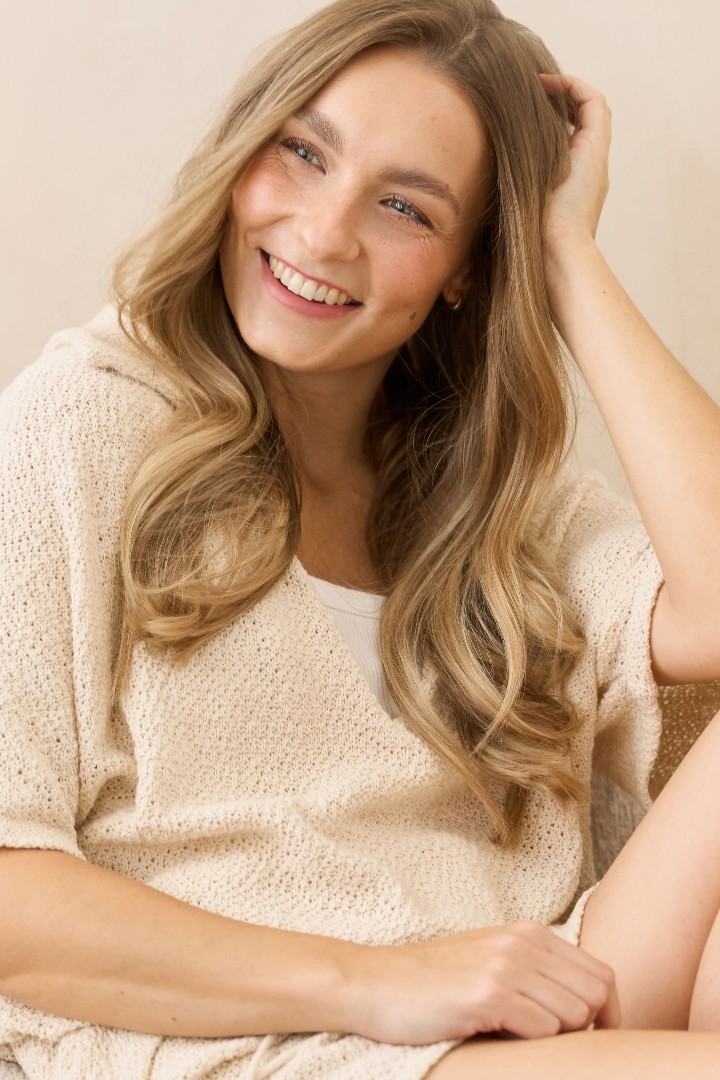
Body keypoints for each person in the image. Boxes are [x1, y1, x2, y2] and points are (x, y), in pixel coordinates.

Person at [1, 0, 720, 1075]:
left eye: (404, 208)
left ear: (469, 267)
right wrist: (380, 982)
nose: (325, 232)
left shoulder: (498, 503)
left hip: (531, 997)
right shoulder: (79, 426)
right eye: (303, 152)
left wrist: (563, 253)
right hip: (262, 1045)